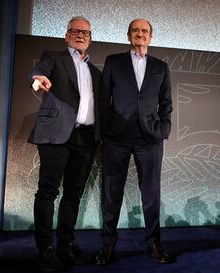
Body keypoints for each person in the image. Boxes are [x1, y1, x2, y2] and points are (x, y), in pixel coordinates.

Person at [96, 18, 174, 265]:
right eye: (136, 31)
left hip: (150, 138)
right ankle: (108, 246)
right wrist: (106, 129)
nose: (140, 34)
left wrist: (163, 129)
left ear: (151, 37)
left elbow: (166, 104)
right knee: (111, 194)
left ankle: (154, 246)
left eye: (145, 31)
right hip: (116, 138)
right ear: (128, 35)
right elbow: (103, 99)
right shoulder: (113, 61)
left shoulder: (161, 67)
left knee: (151, 195)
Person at [28, 16, 101, 272]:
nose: (80, 35)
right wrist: (38, 77)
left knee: (73, 194)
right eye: (75, 31)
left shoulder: (95, 72)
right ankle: (45, 250)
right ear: (66, 35)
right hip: (57, 134)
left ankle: (65, 246)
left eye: (85, 32)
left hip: (86, 139)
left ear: (90, 39)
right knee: (48, 192)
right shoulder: (54, 57)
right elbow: (40, 69)